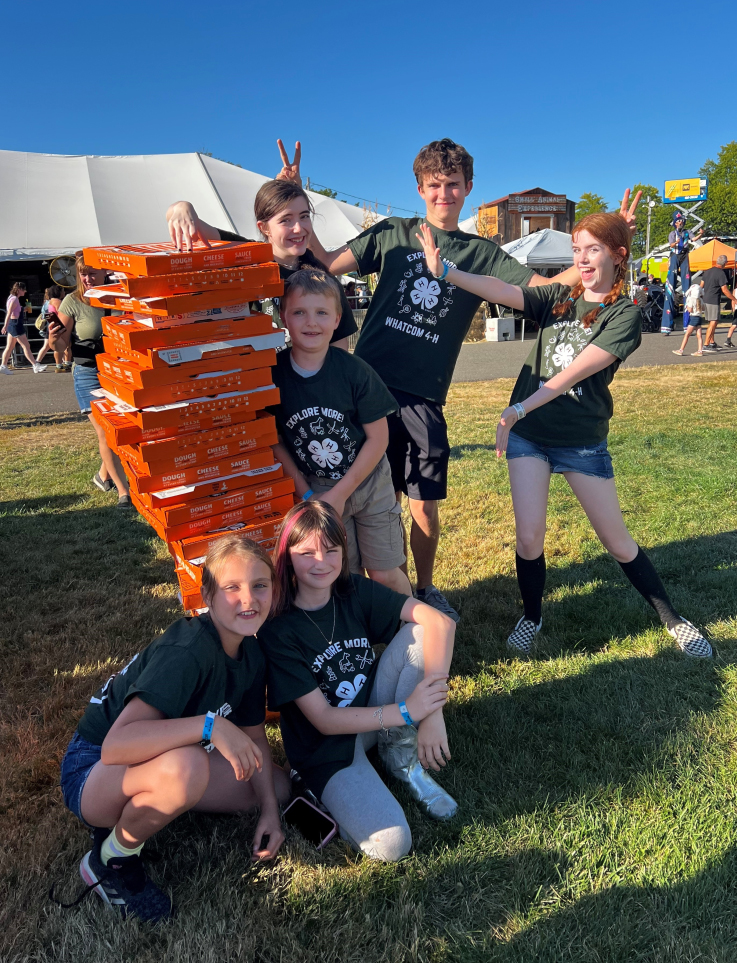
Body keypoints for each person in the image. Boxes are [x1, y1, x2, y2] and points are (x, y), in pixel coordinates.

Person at [299, 137, 642, 623]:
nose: (444, 194)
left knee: (423, 504)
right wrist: (299, 208)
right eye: (435, 185)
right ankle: (360, 594)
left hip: (423, 399)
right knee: (366, 500)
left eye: (453, 185)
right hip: (365, 391)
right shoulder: (393, 233)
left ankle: (424, 586)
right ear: (419, 187)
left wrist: (606, 245)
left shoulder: (482, 253)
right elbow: (324, 265)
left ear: (468, 189)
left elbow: (542, 289)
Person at [415, 213, 713, 659]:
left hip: (579, 441)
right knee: (529, 537)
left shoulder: (624, 315)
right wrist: (449, 273)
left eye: (592, 249)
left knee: (617, 541)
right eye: (577, 250)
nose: (582, 258)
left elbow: (571, 375)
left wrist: (517, 408)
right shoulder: (559, 296)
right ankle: (531, 616)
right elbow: (504, 291)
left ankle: (673, 619)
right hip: (529, 438)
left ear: (618, 255)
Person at [57, 535, 290, 923]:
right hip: (92, 768)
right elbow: (117, 746)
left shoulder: (251, 650)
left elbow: (253, 737)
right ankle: (111, 858)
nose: (248, 599)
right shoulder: (187, 650)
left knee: (278, 787)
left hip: (156, 758)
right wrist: (210, 727)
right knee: (188, 768)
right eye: (232, 587)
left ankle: (160, 800)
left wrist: (270, 812)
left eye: (259, 585)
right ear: (208, 594)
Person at [258, 500, 456, 863]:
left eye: (331, 550)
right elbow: (324, 719)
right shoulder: (278, 630)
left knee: (422, 633)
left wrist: (432, 713)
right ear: (286, 556)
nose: (322, 562)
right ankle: (312, 788)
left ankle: (399, 756)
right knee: (393, 845)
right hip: (325, 747)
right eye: (307, 552)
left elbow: (442, 623)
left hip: (371, 711)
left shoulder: (352, 589)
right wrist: (406, 710)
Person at [270, 268, 411, 596]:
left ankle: (410, 631)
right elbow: (274, 440)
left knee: (384, 572)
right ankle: (355, 641)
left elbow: (379, 439)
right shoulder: (273, 375)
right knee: (338, 576)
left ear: (338, 319)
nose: (311, 322)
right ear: (283, 318)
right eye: (300, 313)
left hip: (369, 483)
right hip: (316, 488)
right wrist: (307, 494)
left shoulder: (355, 372)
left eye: (322, 313)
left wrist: (341, 494)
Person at [165, 172, 357, 350]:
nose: (298, 228)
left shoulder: (324, 280)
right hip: (252, 381)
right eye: (286, 220)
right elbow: (194, 227)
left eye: (304, 216)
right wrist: (181, 207)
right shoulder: (247, 256)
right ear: (264, 227)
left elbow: (337, 353)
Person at [48, 257, 131, 505]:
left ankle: (103, 473)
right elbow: (62, 344)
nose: (87, 279)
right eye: (83, 274)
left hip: (119, 372)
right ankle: (123, 492)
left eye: (92, 273)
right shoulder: (73, 301)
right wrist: (53, 341)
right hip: (88, 373)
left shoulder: (121, 297)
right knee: (105, 432)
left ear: (105, 272)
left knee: (122, 430)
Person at [1, 282, 47, 374]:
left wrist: (23, 309)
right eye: (24, 290)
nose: (25, 292)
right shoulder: (14, 299)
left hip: (13, 324)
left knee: (9, 347)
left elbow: (14, 311)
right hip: (15, 324)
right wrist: (5, 326)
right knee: (26, 346)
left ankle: (3, 365)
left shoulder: (11, 298)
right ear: (19, 290)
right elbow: (9, 313)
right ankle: (35, 365)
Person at [702, 254, 737, 351]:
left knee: (712, 322)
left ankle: (712, 342)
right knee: (713, 322)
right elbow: (725, 290)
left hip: (706, 299)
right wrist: (734, 299)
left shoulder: (707, 271)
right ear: (725, 263)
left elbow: (701, 285)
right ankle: (706, 344)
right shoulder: (721, 273)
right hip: (713, 300)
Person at [35, 285, 71, 370]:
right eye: (62, 291)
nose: (64, 293)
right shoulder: (57, 301)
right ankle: (64, 363)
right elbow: (62, 313)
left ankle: (59, 364)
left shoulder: (48, 301)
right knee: (64, 345)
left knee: (54, 345)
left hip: (50, 325)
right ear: (58, 292)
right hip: (58, 325)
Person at [672, 279, 705, 356]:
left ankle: (681, 350)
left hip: (693, 317)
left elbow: (689, 310)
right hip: (699, 317)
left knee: (687, 334)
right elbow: (703, 308)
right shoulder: (700, 299)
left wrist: (686, 305)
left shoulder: (691, 299)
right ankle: (700, 350)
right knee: (699, 335)